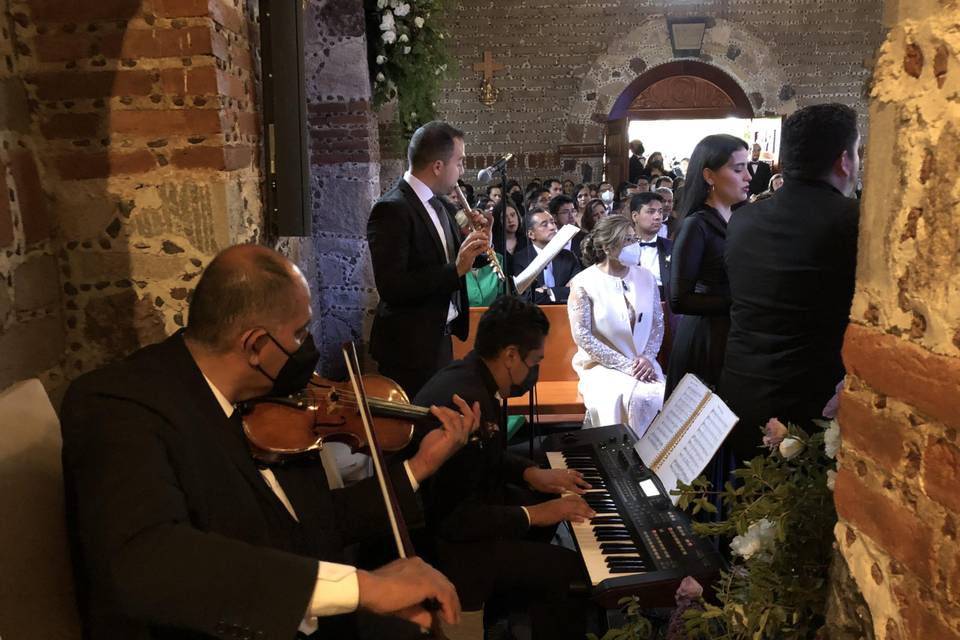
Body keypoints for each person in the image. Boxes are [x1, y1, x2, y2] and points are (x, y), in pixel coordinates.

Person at [60, 244, 484, 640]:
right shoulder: (118, 405)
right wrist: (362, 588)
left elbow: (316, 519)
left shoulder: (260, 404)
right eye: (299, 335)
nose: (307, 351)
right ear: (256, 345)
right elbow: (147, 560)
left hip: (299, 610)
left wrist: (420, 466)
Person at [414, 296, 594, 640]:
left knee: (541, 510)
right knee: (568, 570)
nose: (536, 370)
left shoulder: (471, 374)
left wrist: (532, 474)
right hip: (449, 546)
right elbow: (456, 519)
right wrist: (537, 513)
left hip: (464, 515)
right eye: (536, 361)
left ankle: (513, 614)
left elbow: (489, 456)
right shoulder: (470, 399)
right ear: (511, 356)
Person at [720, 104, 860, 460]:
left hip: (742, 391)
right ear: (844, 160)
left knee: (745, 507)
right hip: (809, 403)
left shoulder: (743, 220)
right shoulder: (854, 222)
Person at [367, 121, 490, 397]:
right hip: (410, 347)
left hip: (439, 338)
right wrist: (455, 269)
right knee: (416, 428)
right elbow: (391, 286)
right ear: (437, 166)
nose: (462, 170)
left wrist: (483, 241)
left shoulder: (442, 203)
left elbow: (462, 261)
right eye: (459, 162)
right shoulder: (391, 209)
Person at [666, 134, 750, 397]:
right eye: (738, 169)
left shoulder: (740, 218)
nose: (748, 176)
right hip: (705, 339)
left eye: (748, 167)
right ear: (709, 176)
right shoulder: (697, 225)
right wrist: (740, 302)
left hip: (731, 335)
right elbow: (679, 299)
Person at [568, 215, 665, 437]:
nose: (634, 246)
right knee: (626, 396)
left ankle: (653, 459)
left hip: (643, 361)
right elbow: (583, 336)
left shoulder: (646, 277)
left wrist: (647, 358)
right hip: (601, 365)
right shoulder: (584, 282)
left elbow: (657, 324)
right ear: (607, 246)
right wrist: (626, 365)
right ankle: (622, 457)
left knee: (659, 395)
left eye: (634, 240)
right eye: (627, 241)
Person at [513, 207, 582, 304]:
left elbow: (579, 290)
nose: (552, 227)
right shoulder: (521, 259)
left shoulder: (569, 256)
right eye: (544, 225)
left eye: (553, 222)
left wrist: (549, 291)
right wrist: (561, 291)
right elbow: (526, 297)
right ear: (531, 234)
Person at [629, 192, 673, 299]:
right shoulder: (624, 248)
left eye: (660, 211)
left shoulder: (672, 247)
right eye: (651, 212)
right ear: (635, 216)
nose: (658, 217)